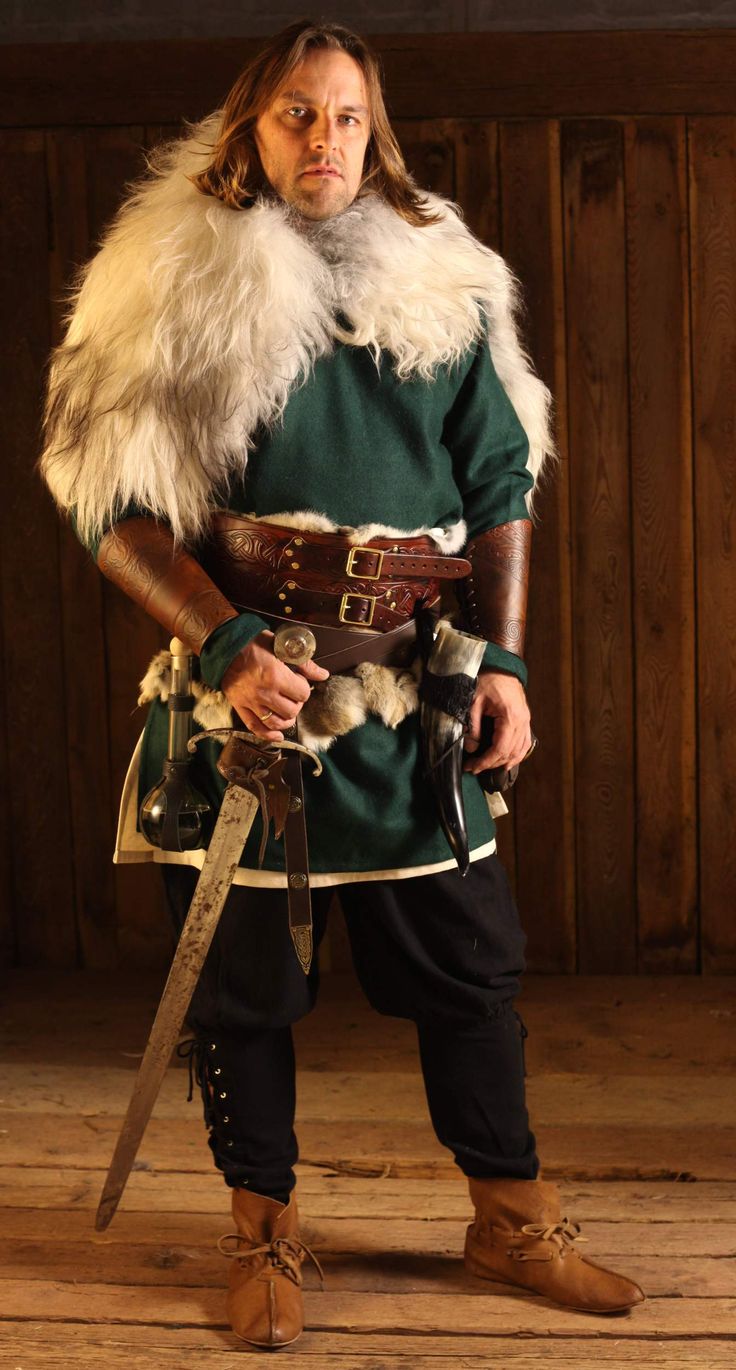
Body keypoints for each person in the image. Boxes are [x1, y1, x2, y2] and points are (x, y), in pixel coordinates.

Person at [40, 18, 645, 1349]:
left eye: (348, 118)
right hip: (252, 704)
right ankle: (264, 1229)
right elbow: (108, 504)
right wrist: (226, 645)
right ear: (252, 133)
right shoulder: (170, 291)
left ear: (379, 133)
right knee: (246, 985)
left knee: (473, 971)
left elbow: (498, 488)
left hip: (412, 699)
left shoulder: (447, 287)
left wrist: (505, 663)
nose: (325, 141)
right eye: (297, 117)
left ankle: (511, 1216)